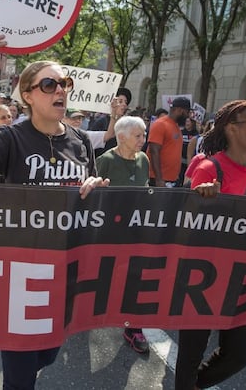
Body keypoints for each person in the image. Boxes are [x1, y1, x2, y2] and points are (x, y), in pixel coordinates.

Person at [0, 27, 108, 390]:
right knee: (20, 377)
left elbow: (93, 192)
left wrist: (94, 189)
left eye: (65, 83)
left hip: (64, 271)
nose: (61, 91)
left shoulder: (81, 140)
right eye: (49, 85)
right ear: (27, 95)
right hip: (18, 274)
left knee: (48, 354)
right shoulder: (10, 137)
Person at [176, 100, 246, 390]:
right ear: (232, 128)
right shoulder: (209, 168)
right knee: (191, 354)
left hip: (241, 276)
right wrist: (199, 201)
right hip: (203, 277)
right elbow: (181, 227)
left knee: (238, 356)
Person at [96, 115, 150, 353]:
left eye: (144, 134)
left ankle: (133, 328)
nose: (143, 139)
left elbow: (146, 188)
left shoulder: (144, 159)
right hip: (107, 234)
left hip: (137, 232)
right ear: (121, 137)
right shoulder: (104, 161)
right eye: (138, 136)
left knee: (136, 278)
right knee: (104, 277)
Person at [147, 97, 191, 187]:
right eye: (187, 112)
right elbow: (154, 151)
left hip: (172, 179)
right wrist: (159, 179)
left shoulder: (176, 126)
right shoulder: (161, 124)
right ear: (179, 110)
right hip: (158, 180)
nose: (188, 116)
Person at [91, 86, 131, 156]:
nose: (124, 104)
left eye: (126, 102)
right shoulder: (102, 121)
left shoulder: (127, 124)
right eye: (120, 101)